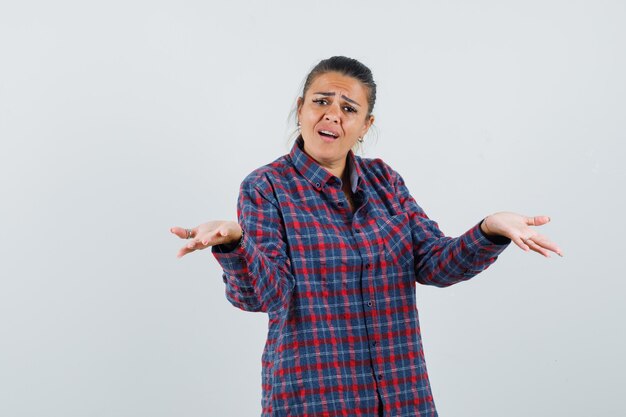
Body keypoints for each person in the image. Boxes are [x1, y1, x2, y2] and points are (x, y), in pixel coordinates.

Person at [170, 56, 562, 417]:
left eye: (348, 108)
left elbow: (435, 263)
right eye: (321, 101)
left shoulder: (384, 181)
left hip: (402, 396)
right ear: (301, 107)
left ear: (365, 125)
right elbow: (267, 295)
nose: (332, 115)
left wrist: (489, 229)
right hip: (314, 397)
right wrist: (234, 243)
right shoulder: (266, 187)